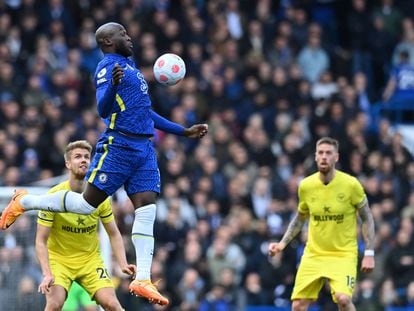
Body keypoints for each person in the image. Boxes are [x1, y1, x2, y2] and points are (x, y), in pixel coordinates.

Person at [0, 22, 208, 306]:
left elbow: (146, 113)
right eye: (123, 34)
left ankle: (143, 279)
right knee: (87, 205)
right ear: (108, 41)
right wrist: (112, 86)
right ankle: (25, 202)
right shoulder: (107, 67)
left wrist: (182, 131)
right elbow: (102, 108)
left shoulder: (130, 67)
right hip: (119, 145)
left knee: (147, 207)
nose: (129, 37)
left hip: (145, 147)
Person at [268, 137, 375, 311]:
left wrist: (369, 253)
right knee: (297, 305)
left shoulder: (351, 185)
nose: (324, 156)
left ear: (336, 157)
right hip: (314, 253)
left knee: (343, 299)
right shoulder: (306, 186)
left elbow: (367, 217)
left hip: (343, 253)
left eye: (328, 153)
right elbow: (300, 217)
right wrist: (282, 244)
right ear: (316, 156)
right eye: (320, 153)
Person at [36, 140, 136, 311]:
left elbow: (113, 233)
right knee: (54, 304)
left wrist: (122, 263)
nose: (83, 160)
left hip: (90, 261)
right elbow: (40, 240)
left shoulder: (99, 196)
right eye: (77, 157)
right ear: (67, 163)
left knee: (112, 304)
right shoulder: (52, 196)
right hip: (60, 261)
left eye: (86, 157)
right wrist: (47, 274)